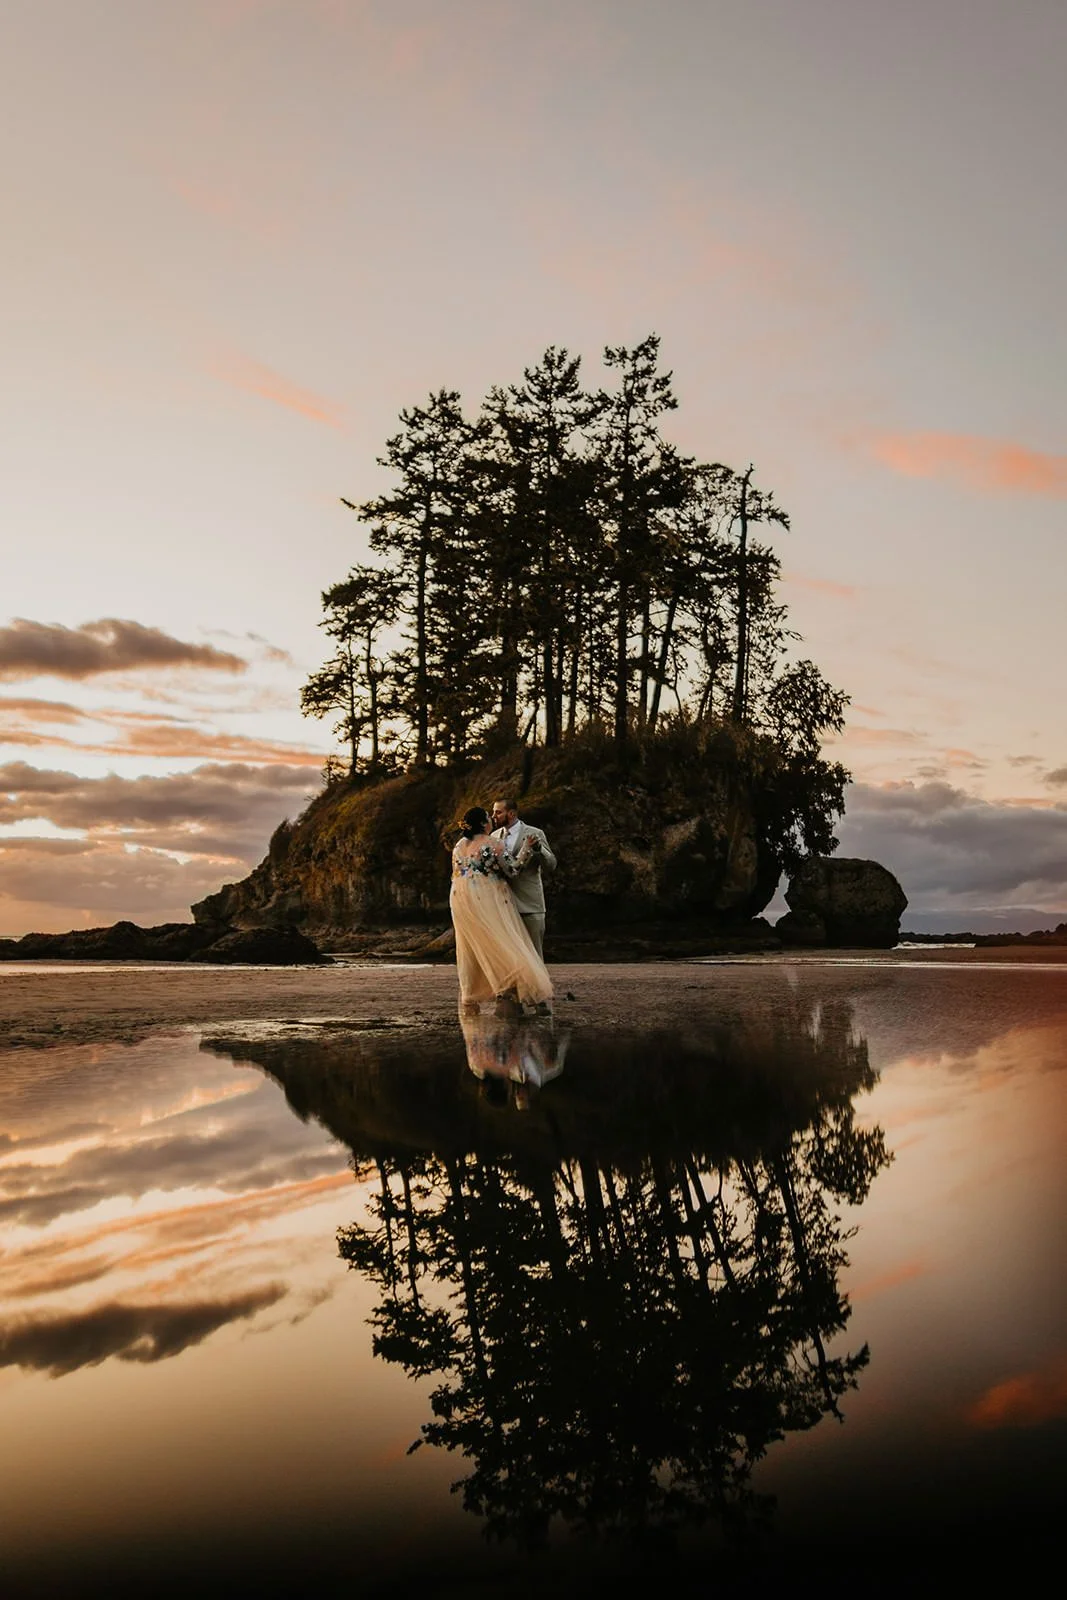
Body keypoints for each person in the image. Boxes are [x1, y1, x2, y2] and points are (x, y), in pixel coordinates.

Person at [450, 805, 553, 1013]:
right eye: (488, 816)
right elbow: (513, 869)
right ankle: (515, 989)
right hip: (488, 897)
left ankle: (471, 997)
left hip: (460, 899)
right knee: (505, 942)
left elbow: (459, 872)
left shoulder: (459, 845)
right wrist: (526, 849)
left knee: (471, 946)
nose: (491, 819)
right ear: (482, 823)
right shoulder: (493, 843)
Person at [490, 797, 556, 958]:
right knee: (509, 955)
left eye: (498, 812)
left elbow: (551, 864)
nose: (493, 816)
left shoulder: (535, 833)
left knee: (534, 953)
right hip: (504, 904)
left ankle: (538, 984)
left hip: (530, 903)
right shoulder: (494, 836)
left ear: (511, 813)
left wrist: (539, 849)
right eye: (493, 812)